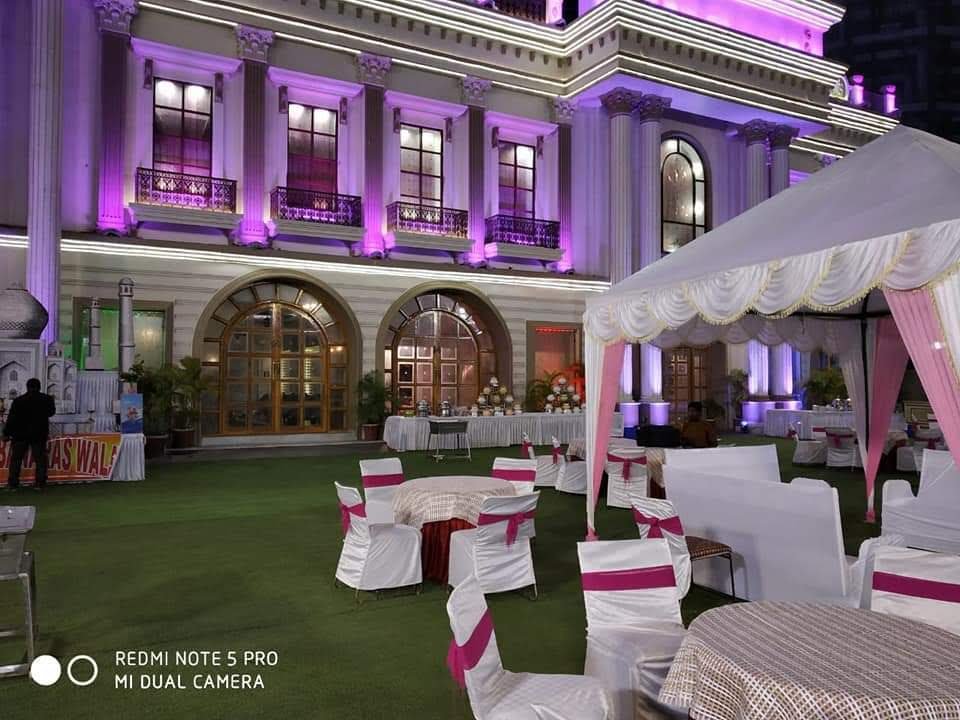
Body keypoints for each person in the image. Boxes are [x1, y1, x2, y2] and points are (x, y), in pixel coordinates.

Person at [3, 378, 56, 489]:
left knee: (16, 460)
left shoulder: (18, 401)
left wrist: (6, 433)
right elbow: (51, 413)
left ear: (27, 387)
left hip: (20, 434)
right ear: (39, 387)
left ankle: (13, 484)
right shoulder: (47, 399)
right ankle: (40, 483)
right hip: (39, 434)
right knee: (40, 460)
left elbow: (11, 419)